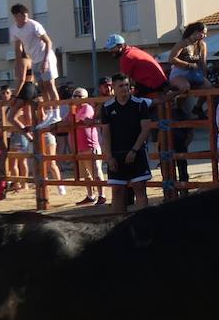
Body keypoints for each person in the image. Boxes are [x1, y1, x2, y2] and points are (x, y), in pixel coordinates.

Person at [87, 73, 157, 214]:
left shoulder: (139, 104)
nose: (124, 88)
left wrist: (134, 150)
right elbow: (106, 133)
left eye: (127, 85)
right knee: (117, 191)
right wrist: (109, 157)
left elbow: (146, 129)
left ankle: (143, 224)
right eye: (121, 85)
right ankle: (117, 225)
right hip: (117, 154)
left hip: (137, 153)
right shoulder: (107, 107)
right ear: (113, 87)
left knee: (139, 188)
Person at [11, 4, 61, 126]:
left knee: (50, 84)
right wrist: (18, 64)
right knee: (42, 87)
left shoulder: (34, 25)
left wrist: (45, 60)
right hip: (34, 59)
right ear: (16, 16)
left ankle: (56, 113)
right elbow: (18, 48)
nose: (25, 18)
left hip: (46, 56)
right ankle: (49, 112)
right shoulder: (14, 29)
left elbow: (48, 41)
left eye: (26, 15)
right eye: (22, 15)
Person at [70, 87, 105, 206]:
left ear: (85, 98)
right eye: (74, 95)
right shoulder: (74, 110)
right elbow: (66, 121)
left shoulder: (87, 108)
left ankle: (102, 195)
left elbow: (82, 121)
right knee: (86, 175)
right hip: (79, 147)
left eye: (79, 96)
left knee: (96, 172)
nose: (76, 98)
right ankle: (91, 196)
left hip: (90, 146)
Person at [105, 35, 169, 97]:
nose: (110, 51)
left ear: (121, 45)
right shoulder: (133, 50)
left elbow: (123, 80)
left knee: (129, 101)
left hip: (154, 85)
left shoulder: (126, 57)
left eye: (112, 48)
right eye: (109, 49)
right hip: (161, 83)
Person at [167, 22, 209, 100]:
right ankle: (174, 102)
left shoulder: (202, 45)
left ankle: (198, 107)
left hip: (195, 73)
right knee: (185, 87)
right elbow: (171, 59)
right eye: (203, 33)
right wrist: (189, 65)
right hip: (179, 73)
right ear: (196, 32)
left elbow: (203, 62)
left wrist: (204, 76)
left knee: (209, 88)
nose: (205, 36)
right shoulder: (182, 43)